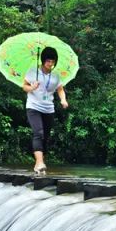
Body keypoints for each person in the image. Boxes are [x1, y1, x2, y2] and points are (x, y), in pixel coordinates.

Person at [22, 46, 68, 175]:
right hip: (33, 107)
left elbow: (60, 89)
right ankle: (40, 162)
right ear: (43, 60)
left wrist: (63, 100)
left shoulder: (55, 76)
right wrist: (32, 87)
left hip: (48, 109)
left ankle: (38, 164)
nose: (50, 64)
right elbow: (24, 86)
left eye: (53, 61)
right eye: (48, 61)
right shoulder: (33, 72)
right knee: (38, 133)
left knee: (46, 137)